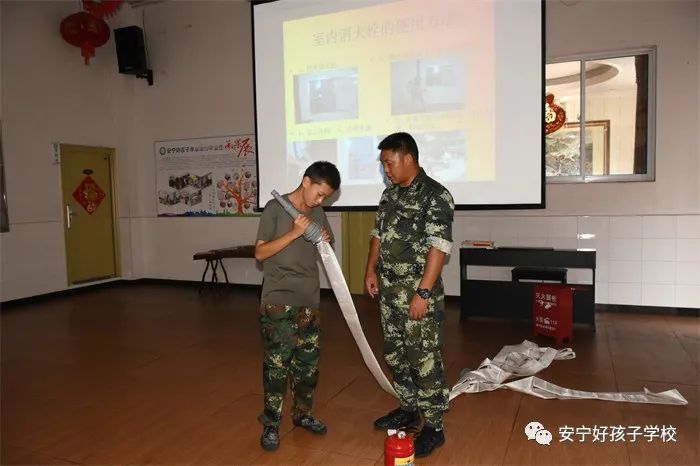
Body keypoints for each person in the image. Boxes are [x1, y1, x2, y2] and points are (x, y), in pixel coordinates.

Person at [364, 132, 454, 458]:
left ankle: (434, 426)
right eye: (383, 164)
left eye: (389, 163)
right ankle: (408, 408)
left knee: (424, 360)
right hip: (390, 293)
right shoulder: (389, 195)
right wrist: (371, 269)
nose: (386, 169)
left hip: (418, 295)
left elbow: (438, 247)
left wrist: (423, 293)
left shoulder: (435, 195)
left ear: (408, 159)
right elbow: (378, 235)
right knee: (396, 355)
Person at [254, 161, 341, 451]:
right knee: (277, 367)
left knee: (307, 367)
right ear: (306, 182)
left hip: (309, 301)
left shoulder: (317, 212)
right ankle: (270, 424)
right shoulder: (274, 208)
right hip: (278, 301)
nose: (320, 200)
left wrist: (324, 240)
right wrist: (294, 232)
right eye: (319, 193)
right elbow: (260, 253)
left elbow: (326, 247)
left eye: (326, 197)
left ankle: (302, 414)